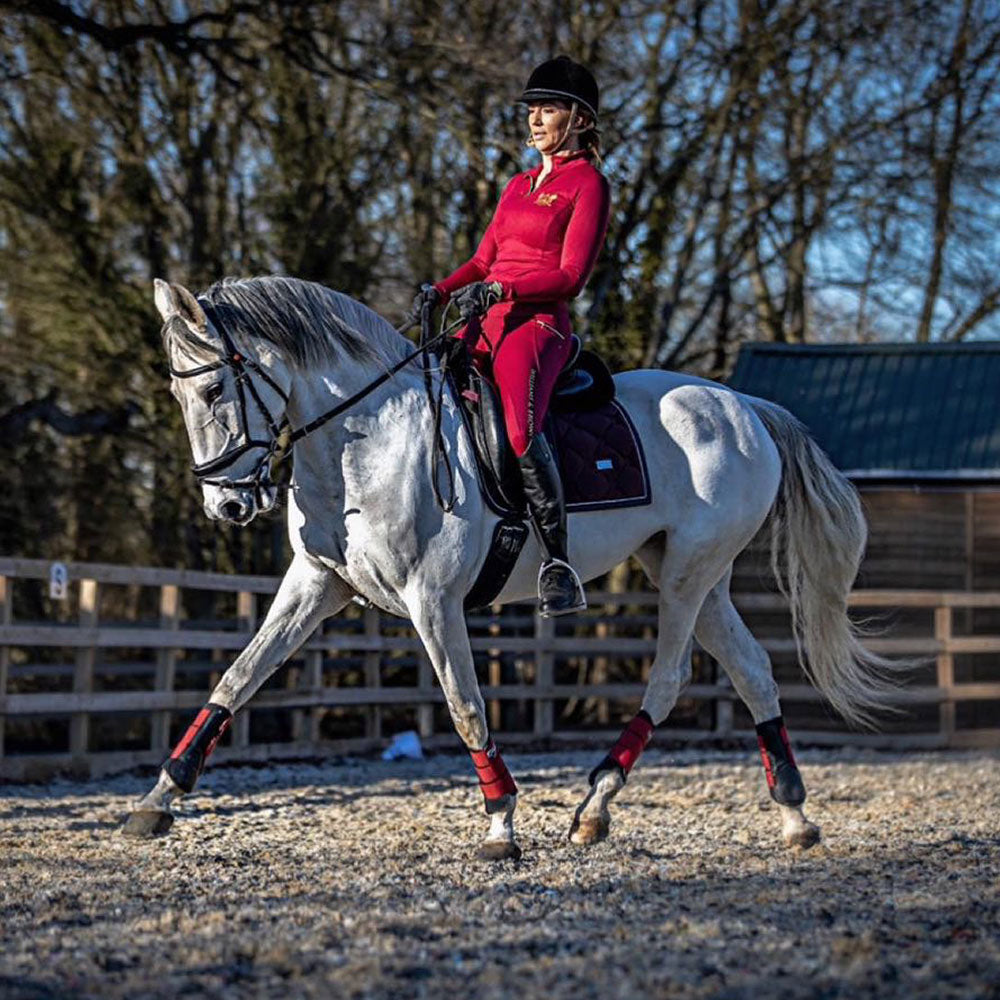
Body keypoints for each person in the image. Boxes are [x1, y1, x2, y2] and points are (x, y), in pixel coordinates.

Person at [415, 55, 611, 617]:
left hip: (537, 323)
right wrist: (441, 287)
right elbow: (484, 259)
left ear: (579, 119)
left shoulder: (588, 184)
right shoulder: (518, 184)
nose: (535, 120)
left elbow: (571, 278)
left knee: (521, 428)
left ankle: (559, 563)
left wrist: (503, 293)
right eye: (532, 110)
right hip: (486, 315)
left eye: (547, 109)